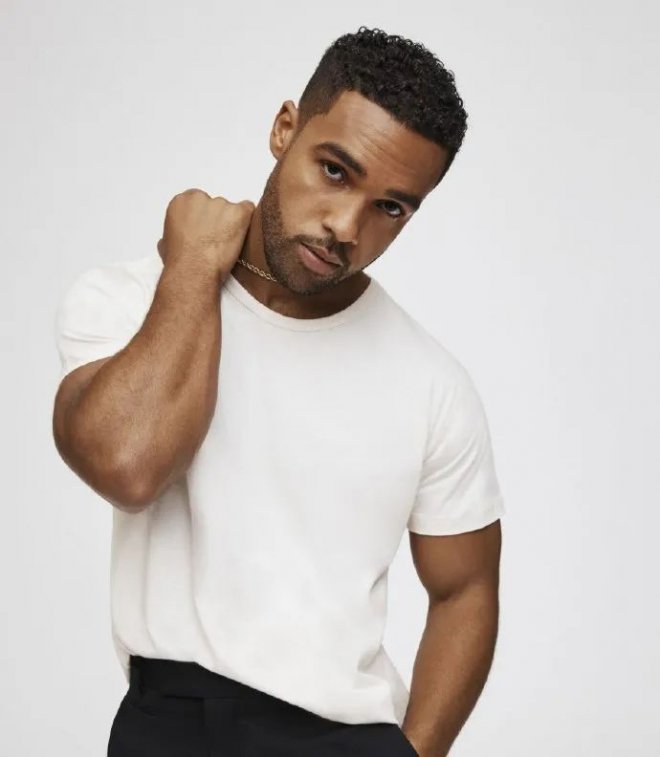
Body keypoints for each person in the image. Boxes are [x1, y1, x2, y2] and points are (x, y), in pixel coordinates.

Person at [52, 26, 505, 757]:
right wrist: (194, 269)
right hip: (173, 724)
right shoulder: (128, 301)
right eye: (335, 171)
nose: (346, 226)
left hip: (347, 738)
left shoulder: (432, 383)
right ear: (284, 128)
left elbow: (466, 590)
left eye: (391, 207)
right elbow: (128, 466)